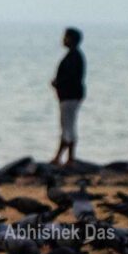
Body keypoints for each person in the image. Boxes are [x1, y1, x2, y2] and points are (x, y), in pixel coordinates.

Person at [50, 27, 86, 167]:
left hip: (69, 96)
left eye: (65, 37)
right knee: (69, 126)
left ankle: (63, 157)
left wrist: (58, 83)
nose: (63, 40)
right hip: (71, 95)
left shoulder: (73, 57)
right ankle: (68, 157)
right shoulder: (75, 56)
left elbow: (70, 78)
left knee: (67, 126)